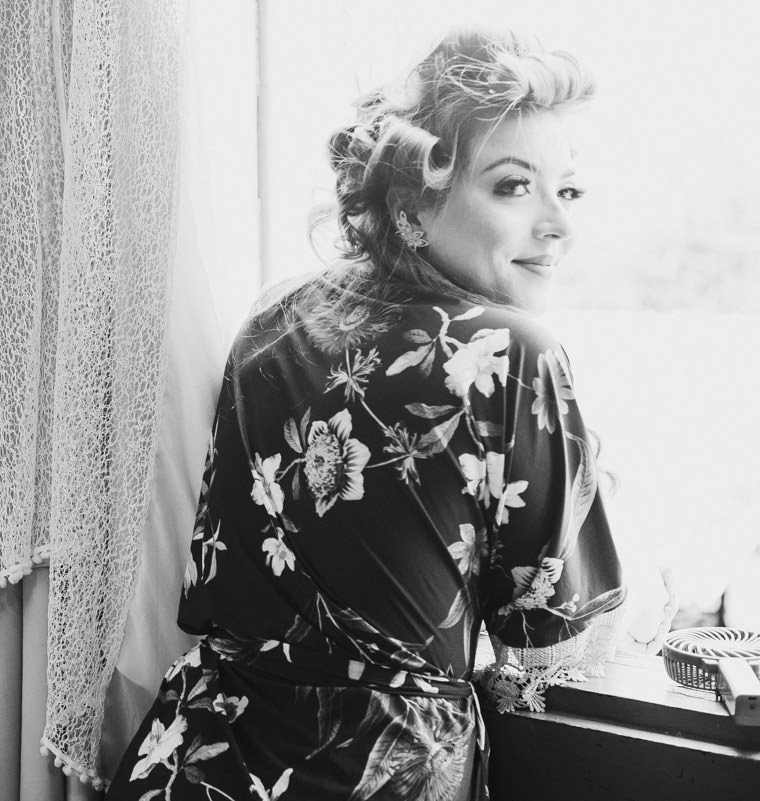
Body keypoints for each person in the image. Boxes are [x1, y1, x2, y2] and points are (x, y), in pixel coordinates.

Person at [107, 28, 625, 801]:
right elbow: (550, 642)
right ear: (413, 203)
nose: (558, 225)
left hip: (191, 759)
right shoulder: (513, 353)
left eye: (569, 191)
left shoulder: (273, 314)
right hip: (376, 775)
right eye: (514, 187)